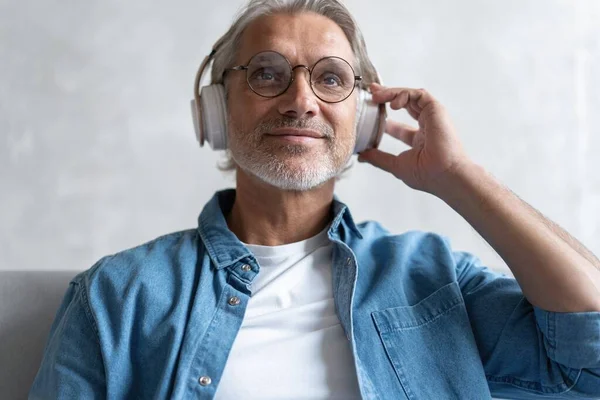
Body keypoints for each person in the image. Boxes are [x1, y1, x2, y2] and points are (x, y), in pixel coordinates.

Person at [30, 0, 600, 399]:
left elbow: (590, 358)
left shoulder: (433, 280)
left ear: (367, 116)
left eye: (331, 79)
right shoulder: (115, 296)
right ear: (216, 110)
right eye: (267, 74)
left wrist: (459, 177)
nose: (300, 101)